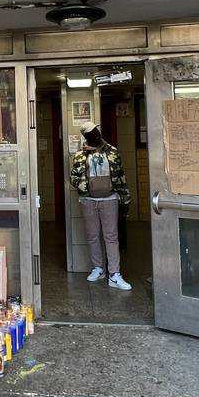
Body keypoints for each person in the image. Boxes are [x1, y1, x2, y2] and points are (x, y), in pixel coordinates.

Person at [69, 121, 132, 290]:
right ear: (86, 137)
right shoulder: (80, 155)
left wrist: (125, 199)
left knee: (111, 237)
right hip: (88, 200)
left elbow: (121, 176)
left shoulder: (112, 151)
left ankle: (114, 274)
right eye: (92, 134)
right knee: (92, 236)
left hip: (110, 198)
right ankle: (98, 268)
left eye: (97, 132)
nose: (97, 135)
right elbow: (73, 177)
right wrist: (86, 188)